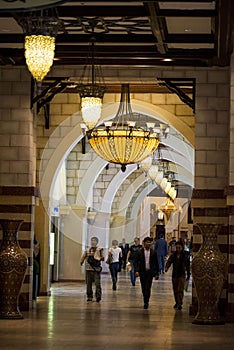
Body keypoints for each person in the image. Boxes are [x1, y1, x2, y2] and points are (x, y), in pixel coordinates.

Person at [134, 236, 159, 309]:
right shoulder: (139, 252)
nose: (148, 244)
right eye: (147, 242)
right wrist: (136, 270)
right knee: (143, 287)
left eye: (150, 243)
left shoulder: (153, 252)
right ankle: (145, 298)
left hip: (150, 272)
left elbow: (156, 263)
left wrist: (157, 273)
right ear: (144, 243)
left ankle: (146, 301)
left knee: (148, 287)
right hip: (142, 272)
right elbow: (136, 262)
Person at [165, 241, 190, 310]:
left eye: (179, 247)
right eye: (177, 248)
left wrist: (188, 274)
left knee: (180, 290)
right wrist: (167, 267)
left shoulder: (185, 255)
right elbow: (169, 261)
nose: (178, 249)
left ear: (182, 247)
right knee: (175, 289)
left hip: (182, 275)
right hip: (175, 275)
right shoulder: (174, 255)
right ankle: (177, 302)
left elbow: (187, 266)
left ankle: (180, 303)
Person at [80, 236, 104, 302]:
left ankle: (98, 296)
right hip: (88, 269)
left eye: (94, 241)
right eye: (92, 240)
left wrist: (95, 256)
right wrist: (81, 261)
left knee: (97, 283)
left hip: (96, 269)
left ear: (97, 242)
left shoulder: (100, 249)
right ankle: (89, 296)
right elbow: (84, 256)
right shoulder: (88, 250)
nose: (93, 242)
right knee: (88, 283)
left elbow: (103, 258)